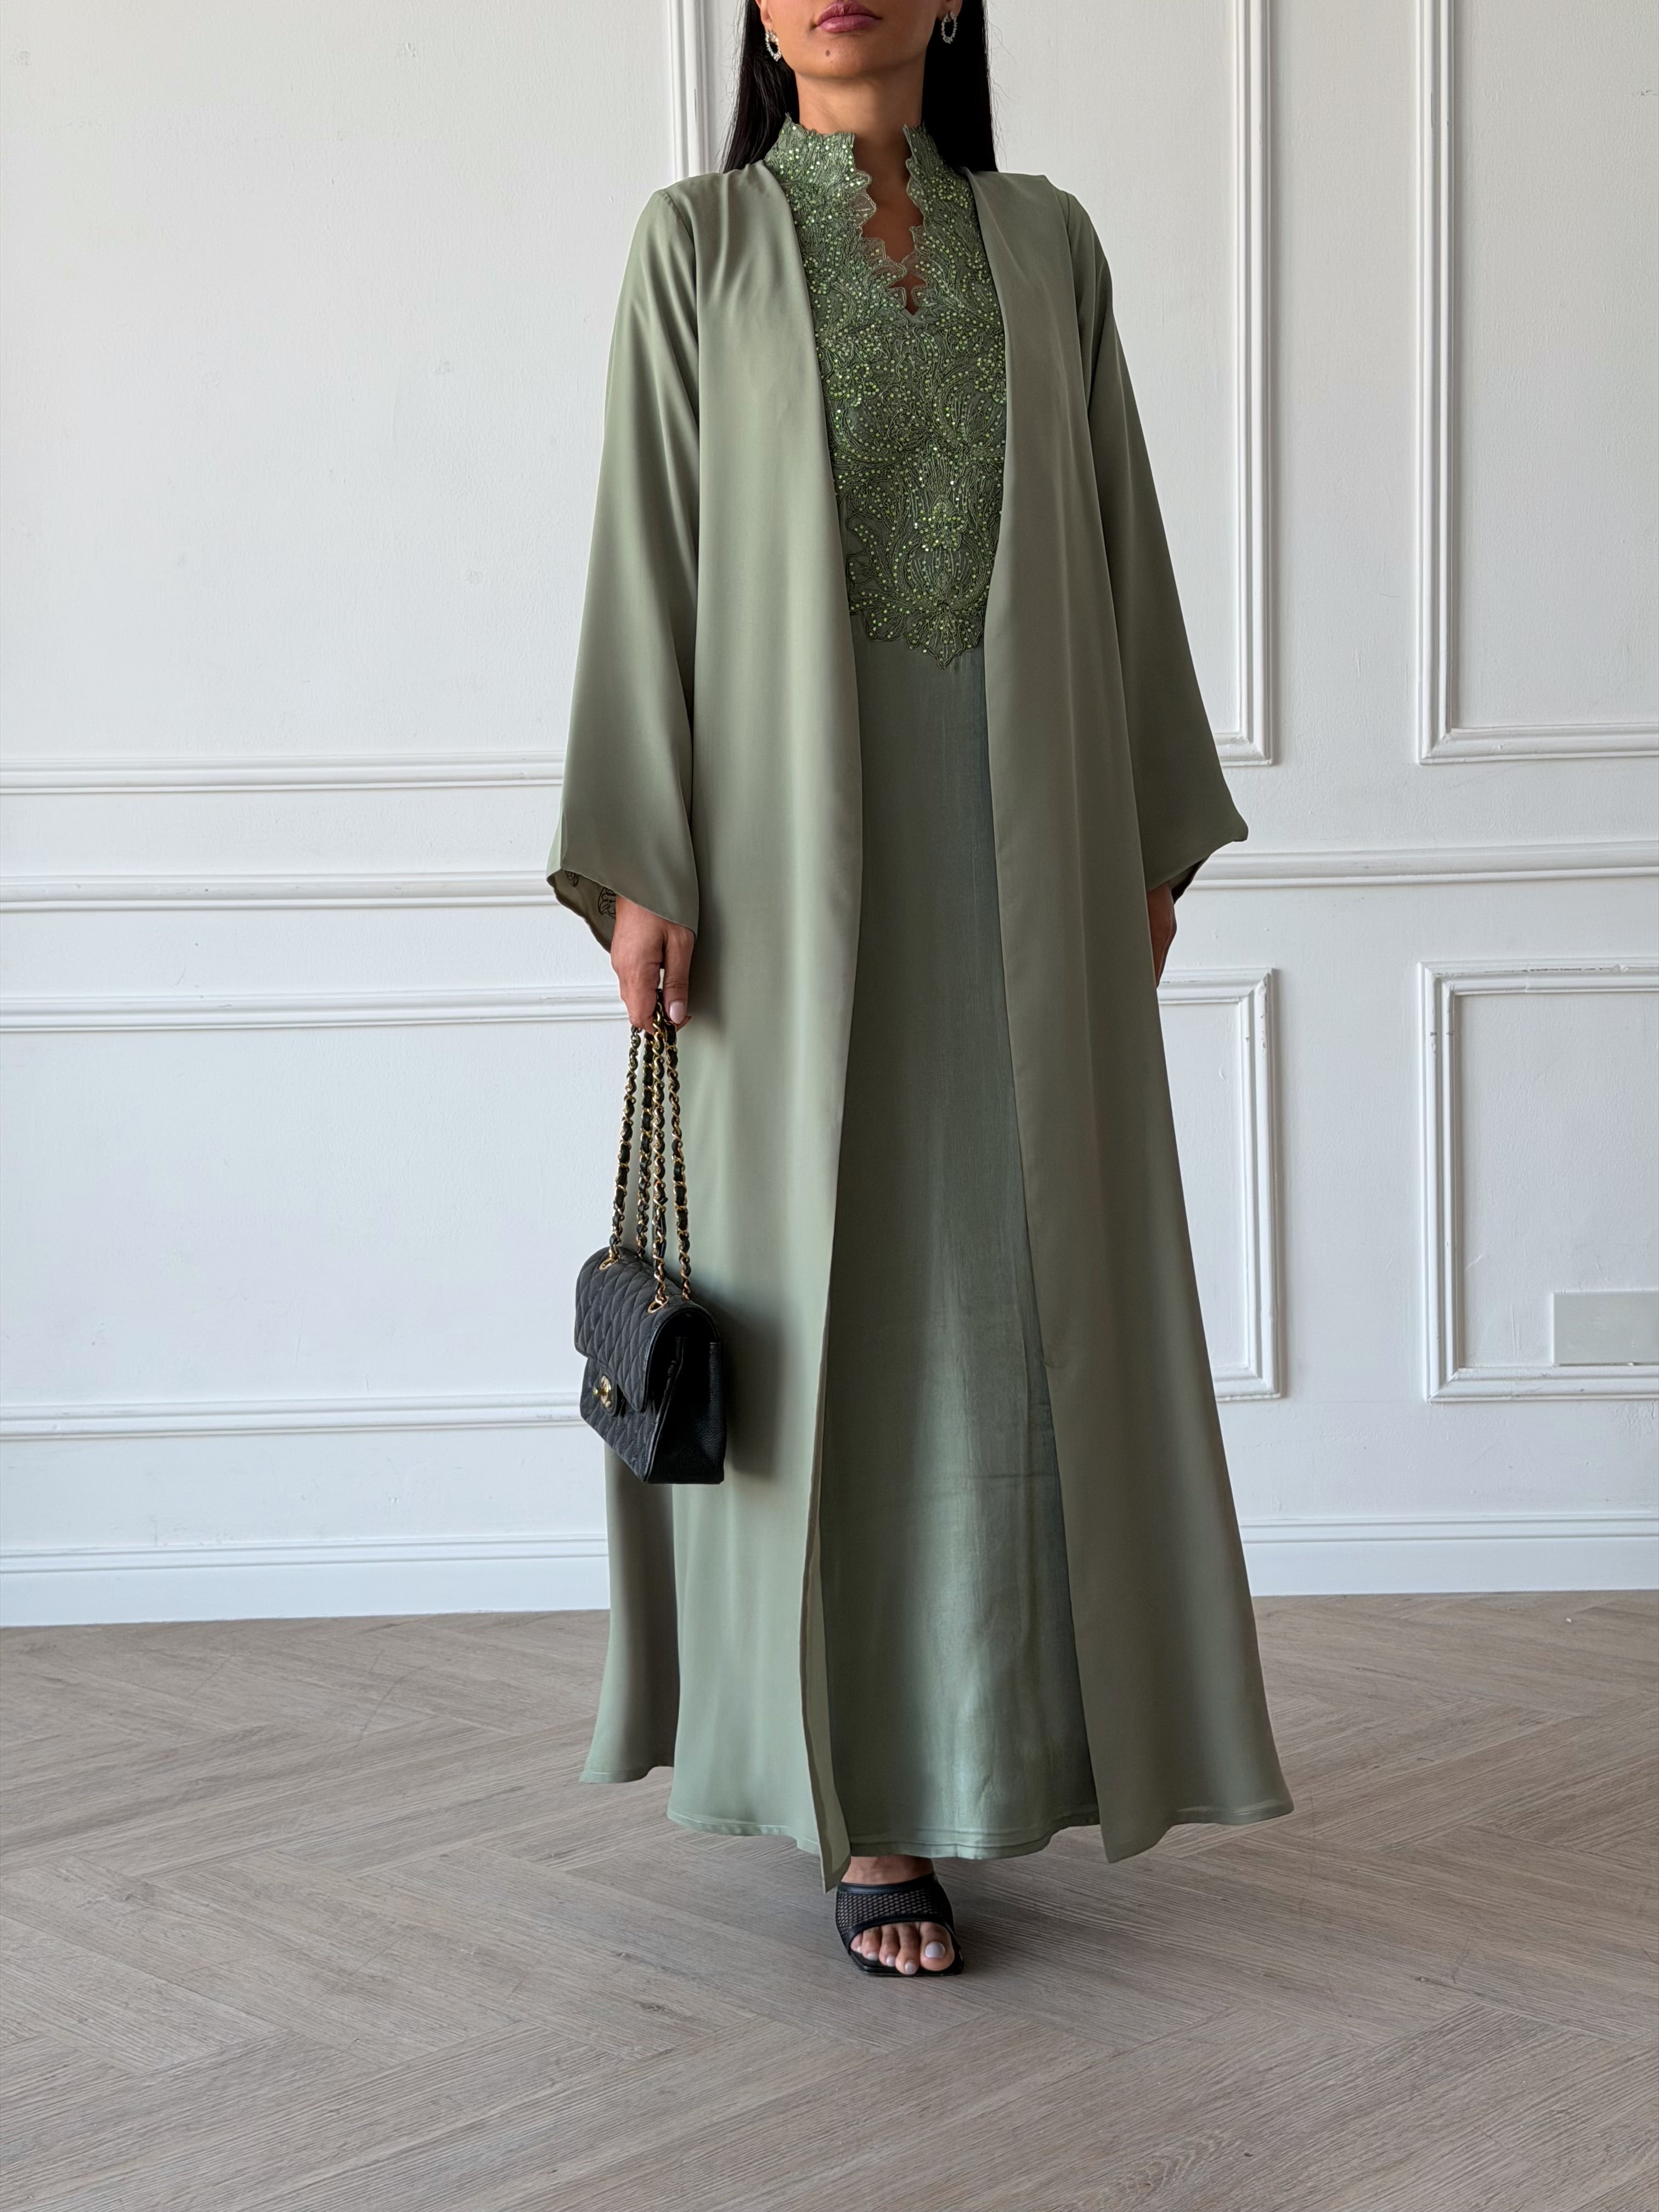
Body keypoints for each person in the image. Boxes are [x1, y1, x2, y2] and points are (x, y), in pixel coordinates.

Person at [548, 0, 1293, 1979]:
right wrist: (641, 858)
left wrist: (1145, 834)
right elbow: (646, 550)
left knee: (1008, 1300)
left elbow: (1121, 540)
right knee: (826, 1300)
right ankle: (863, 1799)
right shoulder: (699, 246)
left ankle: (993, 1743)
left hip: (1027, 847)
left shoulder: (1045, 243)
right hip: (776, 871)